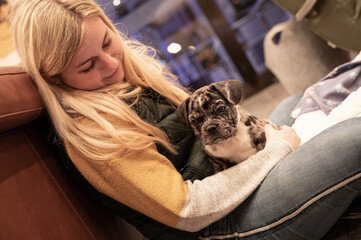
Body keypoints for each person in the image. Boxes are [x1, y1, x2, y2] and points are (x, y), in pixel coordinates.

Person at [8, 0, 361, 239]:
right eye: (87, 66)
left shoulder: (133, 80)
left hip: (227, 183)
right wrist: (276, 151)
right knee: (352, 137)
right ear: (54, 78)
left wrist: (267, 138)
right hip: (223, 227)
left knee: (295, 102)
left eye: (107, 42)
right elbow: (188, 209)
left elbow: (205, 144)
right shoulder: (90, 134)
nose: (111, 64)